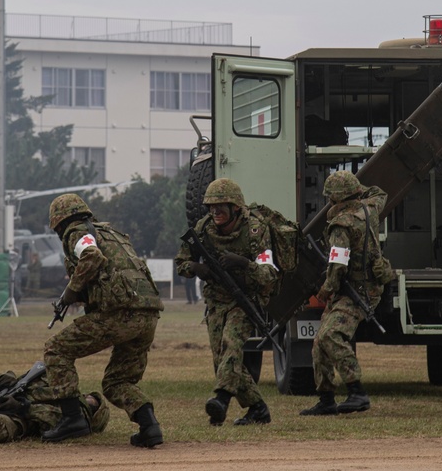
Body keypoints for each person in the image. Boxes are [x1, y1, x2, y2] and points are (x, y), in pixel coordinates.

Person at [40, 193, 164, 448]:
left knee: (56, 350)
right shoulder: (111, 233)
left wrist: (72, 290)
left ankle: (73, 418)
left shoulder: (77, 232)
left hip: (120, 314)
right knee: (118, 381)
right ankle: (149, 426)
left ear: (60, 223)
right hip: (148, 314)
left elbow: (92, 257)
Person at [176, 178, 278, 427]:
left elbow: (269, 274)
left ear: (235, 207)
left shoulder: (255, 230)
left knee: (231, 346)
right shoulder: (202, 229)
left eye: (221, 206)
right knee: (222, 360)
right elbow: (181, 262)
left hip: (245, 301)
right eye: (211, 207)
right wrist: (196, 267)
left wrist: (244, 263)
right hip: (216, 300)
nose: (215, 212)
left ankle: (221, 400)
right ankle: (258, 409)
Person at [300, 170, 394, 416]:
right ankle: (326, 399)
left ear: (335, 199)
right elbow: (380, 193)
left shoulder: (340, 225)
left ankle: (357, 392)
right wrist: (355, 188)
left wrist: (325, 290)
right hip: (369, 288)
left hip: (353, 292)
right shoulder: (369, 209)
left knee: (330, 335)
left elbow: (337, 265)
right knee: (320, 341)